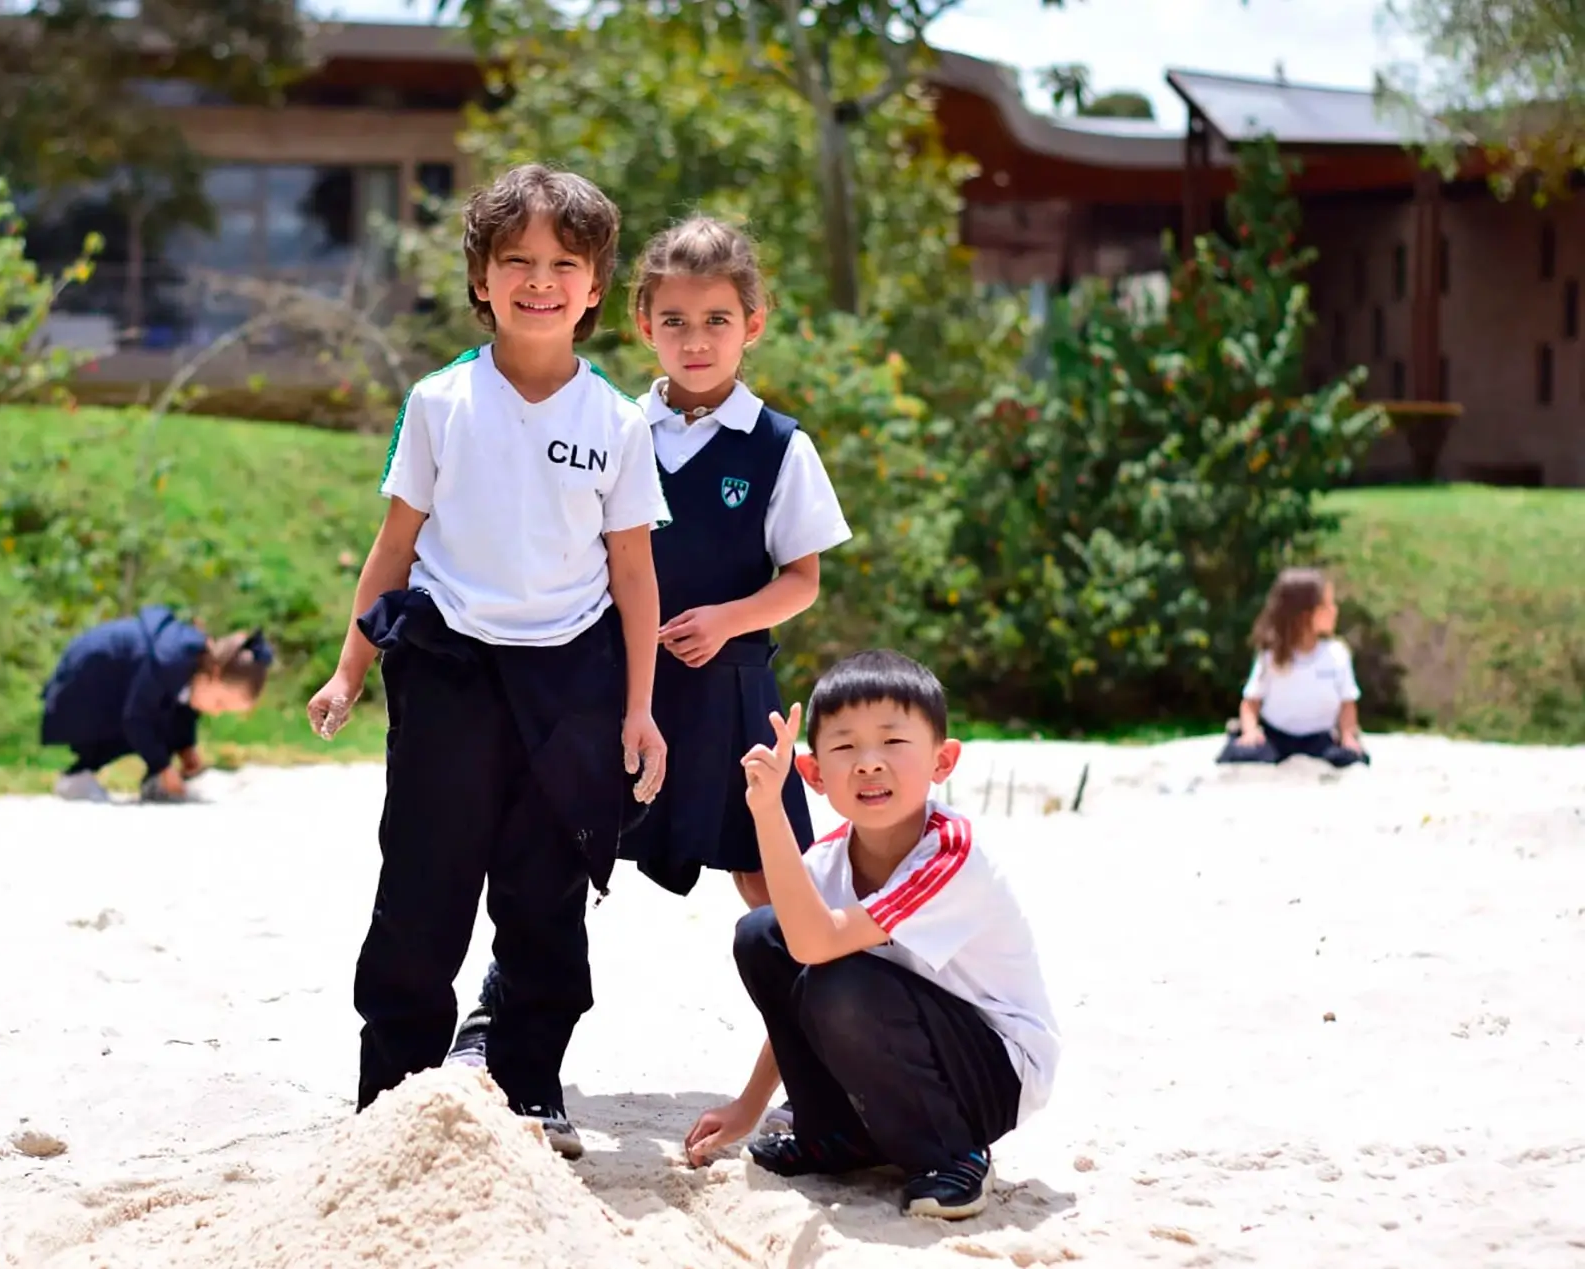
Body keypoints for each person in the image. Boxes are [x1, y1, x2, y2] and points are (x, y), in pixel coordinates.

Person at [444, 216, 852, 1135]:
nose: (695, 339)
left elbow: (804, 580)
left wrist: (729, 618)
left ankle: (819, 1060)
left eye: (716, 319)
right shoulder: (613, 423)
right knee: (552, 862)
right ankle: (493, 1029)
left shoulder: (782, 447)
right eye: (674, 320)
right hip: (614, 695)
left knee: (773, 883)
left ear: (753, 323)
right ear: (640, 322)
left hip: (734, 702)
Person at [305, 163, 670, 1158]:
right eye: (518, 262)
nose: (540, 281)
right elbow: (394, 544)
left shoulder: (620, 424)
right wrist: (349, 667)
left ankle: (530, 1078)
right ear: (481, 278)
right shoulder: (439, 404)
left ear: (597, 287)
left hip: (573, 682)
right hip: (451, 669)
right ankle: (396, 1086)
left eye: (565, 263)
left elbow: (635, 575)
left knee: (545, 886)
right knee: (425, 879)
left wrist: (640, 711)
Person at [683, 650, 1061, 1222]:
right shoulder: (829, 860)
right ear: (813, 774)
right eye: (844, 747)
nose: (868, 764)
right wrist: (748, 1104)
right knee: (762, 935)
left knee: (833, 975)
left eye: (893, 742)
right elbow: (796, 970)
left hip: (992, 1072)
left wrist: (769, 813)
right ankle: (833, 1134)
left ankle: (951, 1152)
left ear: (943, 760)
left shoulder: (949, 854)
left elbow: (819, 953)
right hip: (894, 1037)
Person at [39, 605, 271, 803]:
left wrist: (186, 750)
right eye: (220, 703)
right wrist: (163, 768)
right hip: (80, 693)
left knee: (163, 719)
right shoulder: (169, 661)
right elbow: (136, 718)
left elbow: (182, 713)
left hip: (105, 692)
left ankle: (155, 782)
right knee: (146, 724)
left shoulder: (193, 664)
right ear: (214, 674)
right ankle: (76, 778)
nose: (217, 712)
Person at [1216, 566, 1368, 768]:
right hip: (1277, 737)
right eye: (1328, 605)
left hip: (1319, 738)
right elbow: (1251, 703)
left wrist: (1348, 735)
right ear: (1304, 615)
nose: (1335, 610)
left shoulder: (1337, 653)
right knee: (1238, 754)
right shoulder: (1271, 655)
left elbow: (1347, 704)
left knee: (1351, 758)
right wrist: (1250, 731)